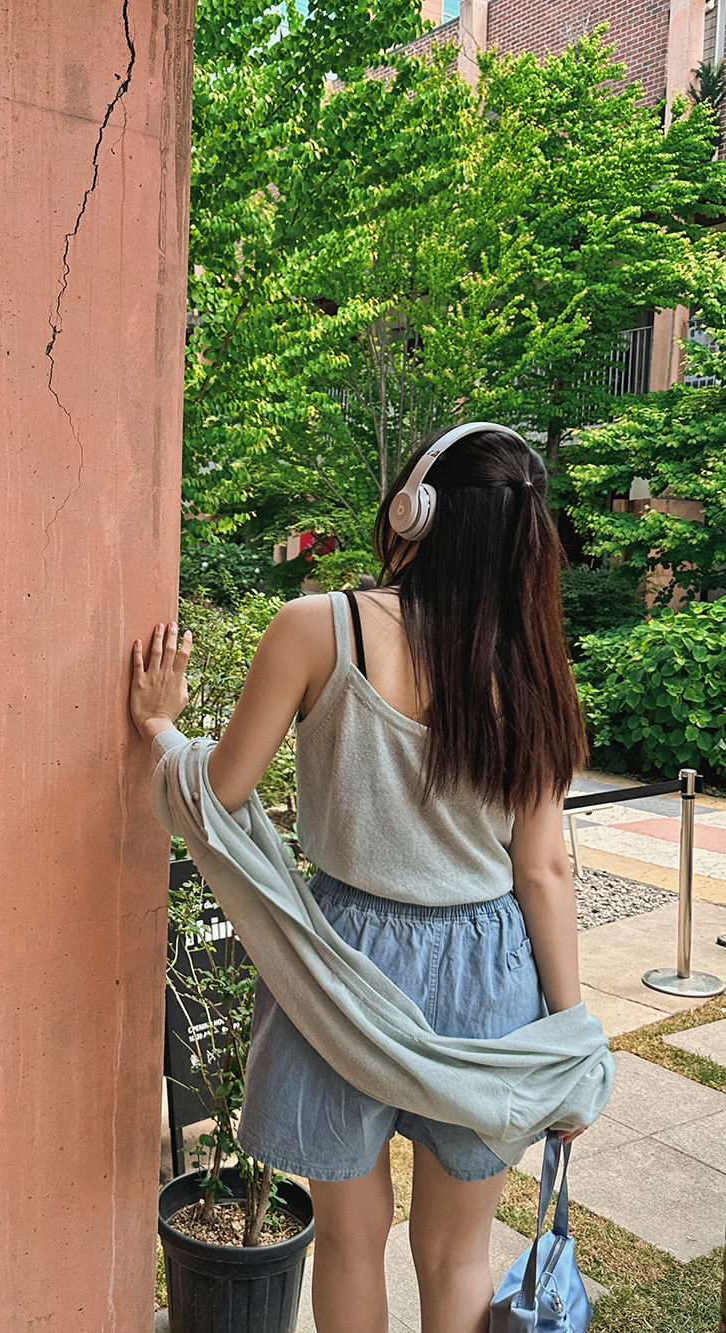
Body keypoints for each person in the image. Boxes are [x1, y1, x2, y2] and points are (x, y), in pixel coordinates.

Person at [130, 423, 600, 1333]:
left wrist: (160, 727)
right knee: (456, 1252)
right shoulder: (533, 667)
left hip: (340, 965)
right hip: (489, 972)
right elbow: (544, 871)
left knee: (350, 1241)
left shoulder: (318, 628)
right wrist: (567, 1041)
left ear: (413, 509)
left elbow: (220, 794)